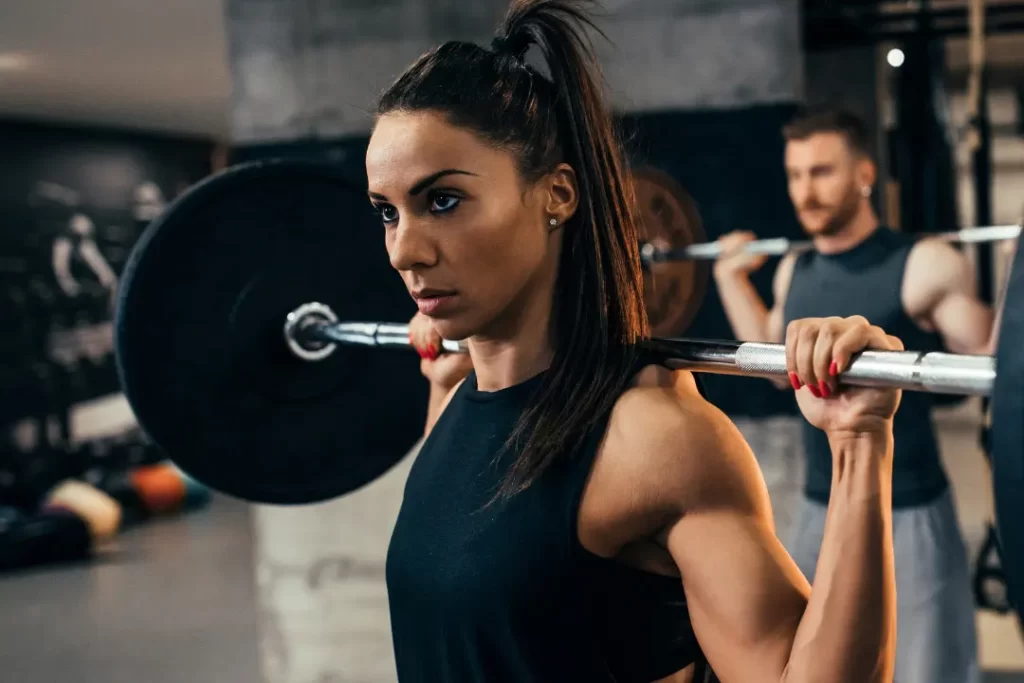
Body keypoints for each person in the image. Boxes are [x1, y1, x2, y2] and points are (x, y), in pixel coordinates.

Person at [372, 2, 903, 681]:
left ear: (557, 195)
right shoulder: (454, 402)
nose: (403, 250)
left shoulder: (654, 437)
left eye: (442, 200)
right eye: (388, 212)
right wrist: (446, 375)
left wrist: (860, 444)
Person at [714, 106, 1002, 683]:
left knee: (926, 670)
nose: (805, 191)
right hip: (819, 505)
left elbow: (989, 364)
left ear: (864, 174)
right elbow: (777, 367)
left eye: (822, 172)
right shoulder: (796, 269)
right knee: (818, 664)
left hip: (910, 509)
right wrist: (730, 279)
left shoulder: (922, 262)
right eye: (795, 175)